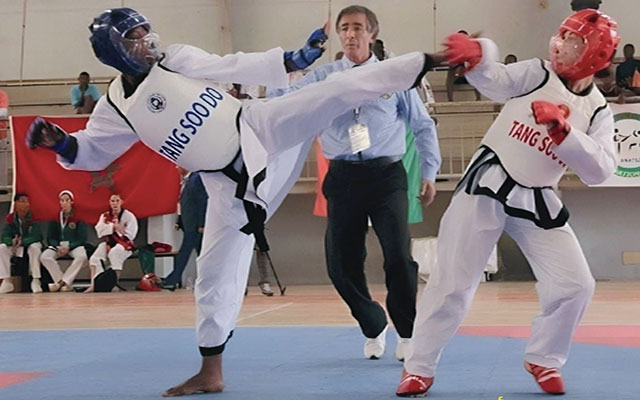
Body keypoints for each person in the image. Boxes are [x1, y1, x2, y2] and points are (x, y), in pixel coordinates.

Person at [25, 7, 442, 396]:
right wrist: (58, 142)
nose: (148, 40)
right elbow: (91, 150)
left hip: (259, 129)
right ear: (114, 50)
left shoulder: (175, 59)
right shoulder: (116, 107)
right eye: (135, 37)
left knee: (334, 90)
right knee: (213, 274)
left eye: (146, 31)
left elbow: (231, 64)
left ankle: (432, 60)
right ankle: (211, 371)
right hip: (228, 187)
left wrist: (294, 59)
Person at [397, 9, 619, 397]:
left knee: (576, 285)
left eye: (574, 42)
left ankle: (544, 358)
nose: (561, 47)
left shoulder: (598, 110)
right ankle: (418, 367)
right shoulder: (537, 72)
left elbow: (600, 170)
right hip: (488, 182)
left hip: (539, 197)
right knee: (452, 282)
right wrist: (479, 54)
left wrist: (565, 132)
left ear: (596, 55)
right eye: (563, 36)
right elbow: (495, 81)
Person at [269, 5, 441, 362]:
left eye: (358, 27)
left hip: (387, 176)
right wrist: (291, 65)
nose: (350, 34)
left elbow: (423, 125)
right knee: (340, 263)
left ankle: (407, 331)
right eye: (344, 28)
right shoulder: (325, 77)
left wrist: (429, 171)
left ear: (372, 34)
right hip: (344, 177)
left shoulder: (392, 76)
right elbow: (283, 101)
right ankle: (373, 323)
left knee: (398, 255)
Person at [163, 168, 207, 291]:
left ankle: (172, 280)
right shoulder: (186, 181)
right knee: (202, 254)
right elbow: (184, 205)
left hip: (194, 226)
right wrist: (180, 221)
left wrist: (202, 223)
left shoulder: (196, 179)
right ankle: (213, 278)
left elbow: (202, 202)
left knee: (185, 252)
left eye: (179, 165)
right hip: (189, 224)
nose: (177, 168)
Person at [85, 193, 138, 293]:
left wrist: (119, 232)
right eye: (112, 201)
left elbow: (131, 234)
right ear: (109, 202)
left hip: (125, 245)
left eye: (117, 201)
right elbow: (99, 230)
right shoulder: (105, 216)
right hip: (109, 243)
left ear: (121, 202)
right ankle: (95, 285)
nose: (115, 203)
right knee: (95, 258)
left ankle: (114, 284)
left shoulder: (129, 216)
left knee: (115, 252)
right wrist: (113, 227)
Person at [40, 190, 89, 292]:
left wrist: (69, 246)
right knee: (45, 257)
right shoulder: (55, 217)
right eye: (62, 200)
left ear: (72, 201)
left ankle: (63, 282)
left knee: (82, 257)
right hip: (58, 247)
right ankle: (61, 281)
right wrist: (57, 246)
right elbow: (50, 238)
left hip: (73, 246)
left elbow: (82, 238)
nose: (64, 203)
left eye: (67, 200)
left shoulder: (79, 217)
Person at [0, 193, 43, 293]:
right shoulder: (10, 218)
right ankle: (6, 281)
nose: (26, 204)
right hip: (17, 245)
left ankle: (36, 280)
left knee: (35, 248)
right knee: (2, 248)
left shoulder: (34, 217)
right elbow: (4, 235)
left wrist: (22, 241)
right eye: (23, 201)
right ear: (16, 203)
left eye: (27, 201)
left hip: (30, 243)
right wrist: (11, 241)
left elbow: (37, 236)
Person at [446, 30, 482, 101]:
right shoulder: (453, 49)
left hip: (470, 75)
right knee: (451, 72)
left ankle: (478, 98)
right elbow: (450, 64)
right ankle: (450, 100)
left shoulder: (472, 47)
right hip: (457, 75)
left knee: (476, 71)